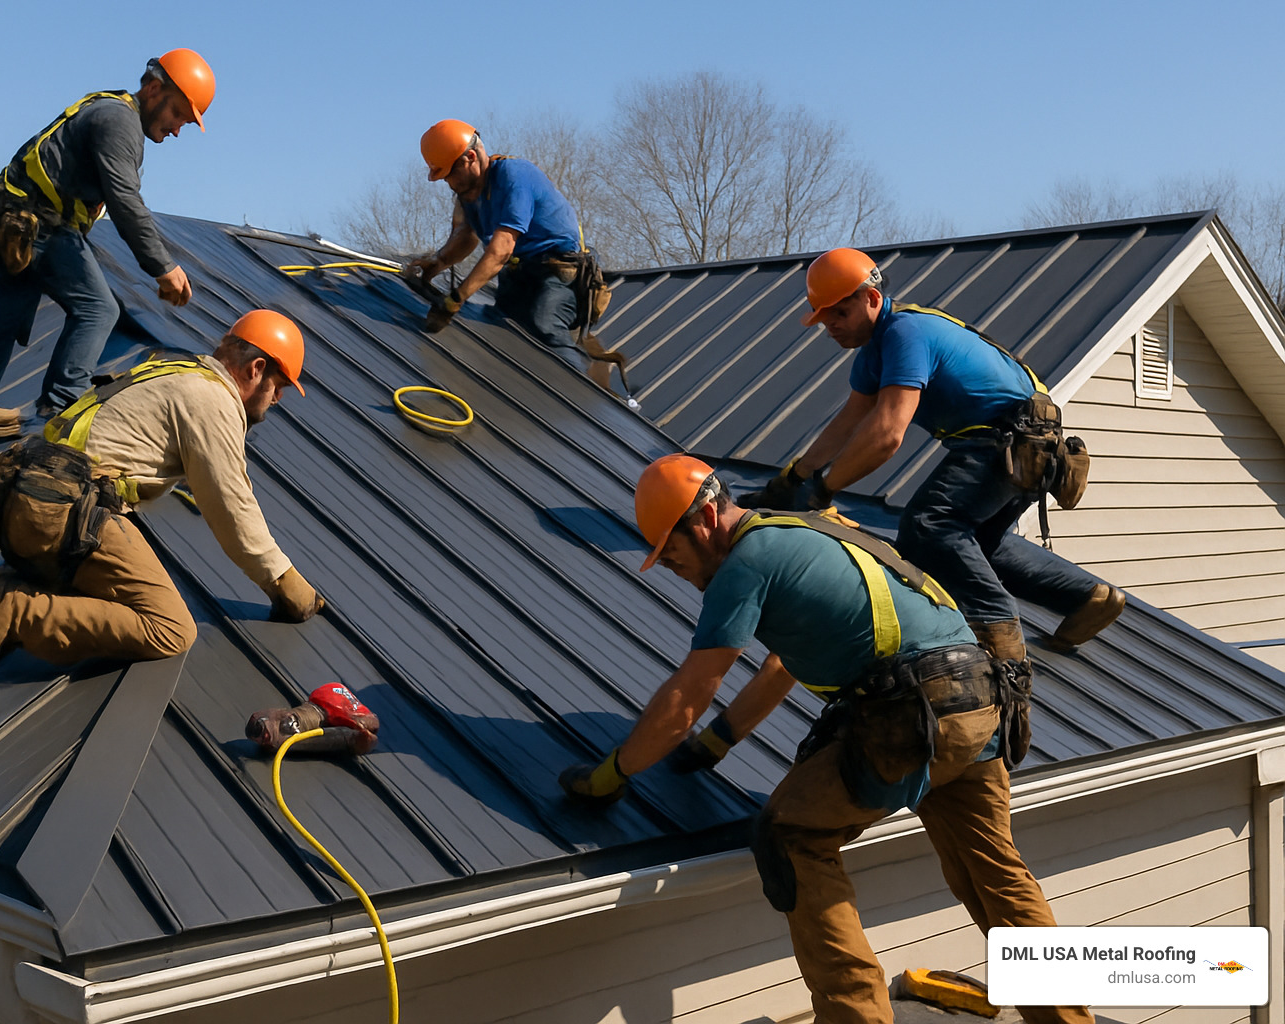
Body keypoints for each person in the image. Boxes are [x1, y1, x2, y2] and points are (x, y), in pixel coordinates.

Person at [559, 454, 1092, 1024]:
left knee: (790, 834)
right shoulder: (803, 533)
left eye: (671, 550)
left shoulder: (743, 564)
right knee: (994, 876)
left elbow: (689, 694)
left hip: (917, 712)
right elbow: (782, 666)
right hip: (978, 700)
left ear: (707, 516)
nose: (670, 565)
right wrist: (719, 742)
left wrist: (609, 776)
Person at [745, 247, 1124, 661]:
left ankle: (997, 631)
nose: (831, 327)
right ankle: (1087, 598)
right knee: (975, 543)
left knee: (929, 527)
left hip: (1005, 441)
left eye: (839, 314)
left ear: (871, 298)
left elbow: (887, 434)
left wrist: (826, 488)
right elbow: (848, 422)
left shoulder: (903, 334)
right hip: (1029, 445)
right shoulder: (875, 351)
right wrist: (796, 477)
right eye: (823, 319)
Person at [0, 310, 324, 682]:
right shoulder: (212, 400)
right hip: (67, 509)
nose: (277, 398)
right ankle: (20, 611)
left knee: (112, 591)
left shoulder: (174, 371)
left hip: (23, 499)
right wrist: (284, 583)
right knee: (171, 628)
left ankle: (15, 582)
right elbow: (232, 507)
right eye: (278, 386)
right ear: (256, 368)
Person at [0, 49, 216, 443]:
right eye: (179, 114)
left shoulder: (108, 109)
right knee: (98, 309)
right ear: (155, 89)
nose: (178, 129)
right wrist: (163, 266)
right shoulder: (118, 122)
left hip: (13, 218)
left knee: (6, 315)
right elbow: (125, 202)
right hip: (38, 224)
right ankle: (64, 411)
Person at [405, 119, 614, 389]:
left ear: (470, 157)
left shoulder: (515, 176)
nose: (448, 183)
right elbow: (466, 234)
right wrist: (438, 262)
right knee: (500, 325)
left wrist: (455, 299)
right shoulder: (469, 192)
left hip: (559, 275)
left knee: (544, 325)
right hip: (520, 274)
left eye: (449, 174)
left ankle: (586, 395)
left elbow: (501, 250)